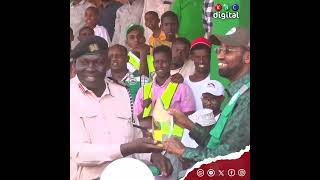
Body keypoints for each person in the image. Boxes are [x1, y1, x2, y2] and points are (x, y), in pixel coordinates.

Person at [70, 36, 173, 180]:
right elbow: (79, 153)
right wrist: (126, 148)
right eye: (85, 62)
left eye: (98, 62)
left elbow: (135, 139)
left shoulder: (122, 92)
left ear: (107, 64)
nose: (91, 68)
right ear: (75, 64)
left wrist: (151, 155)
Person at [163, 26, 250, 177]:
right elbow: (220, 144)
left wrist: (182, 151)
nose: (220, 56)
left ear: (247, 57)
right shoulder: (238, 93)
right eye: (219, 50)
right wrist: (188, 124)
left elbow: (228, 157)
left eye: (228, 51)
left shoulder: (247, 98)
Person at [134, 45, 196, 179]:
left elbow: (190, 120)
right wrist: (146, 108)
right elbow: (136, 122)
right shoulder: (143, 90)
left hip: (172, 146)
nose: (160, 65)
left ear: (170, 63)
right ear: (153, 63)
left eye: (164, 61)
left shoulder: (182, 88)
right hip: (148, 148)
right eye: (157, 61)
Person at [108, 44, 150, 120]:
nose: (114, 59)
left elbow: (148, 109)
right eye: (111, 56)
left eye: (118, 56)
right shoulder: (103, 82)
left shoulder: (142, 81)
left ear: (127, 59)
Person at [181, 80, 225, 149]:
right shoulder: (193, 117)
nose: (208, 103)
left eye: (213, 99)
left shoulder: (224, 121)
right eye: (206, 98)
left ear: (222, 99)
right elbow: (184, 142)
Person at [184, 37, 212, 110]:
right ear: (192, 57)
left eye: (205, 57)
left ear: (210, 57)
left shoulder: (214, 80)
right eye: (197, 57)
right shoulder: (184, 82)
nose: (201, 61)